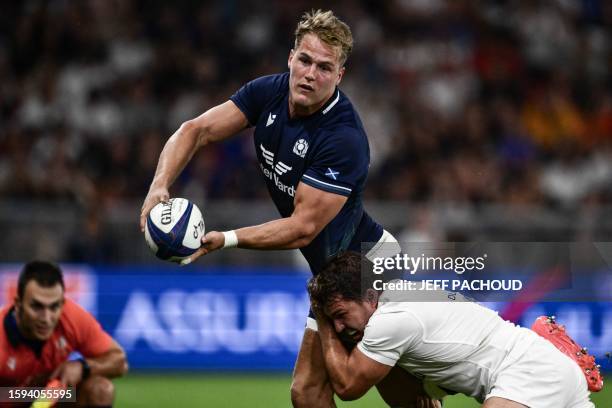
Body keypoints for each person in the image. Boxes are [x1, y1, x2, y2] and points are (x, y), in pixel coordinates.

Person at [139, 8, 423, 407]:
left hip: (369, 270)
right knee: (308, 393)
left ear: (340, 75)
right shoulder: (268, 92)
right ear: (290, 57)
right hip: (331, 274)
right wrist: (158, 186)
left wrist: (226, 239)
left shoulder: (343, 138)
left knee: (397, 392)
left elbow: (303, 228)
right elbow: (195, 130)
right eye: (305, 60)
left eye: (324, 67)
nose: (310, 73)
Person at [308, 252, 596, 408]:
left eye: (341, 315)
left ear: (370, 297)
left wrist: (319, 317)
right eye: (333, 319)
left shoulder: (391, 320)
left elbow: (348, 387)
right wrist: (429, 389)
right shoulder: (407, 296)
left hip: (528, 373)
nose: (339, 326)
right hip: (547, 369)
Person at [0, 261, 128, 407]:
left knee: (100, 390)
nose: (47, 319)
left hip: (55, 397)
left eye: (54, 307)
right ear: (18, 304)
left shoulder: (72, 317)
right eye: (37, 307)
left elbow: (120, 362)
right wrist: (24, 395)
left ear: (62, 303)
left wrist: (83, 367)